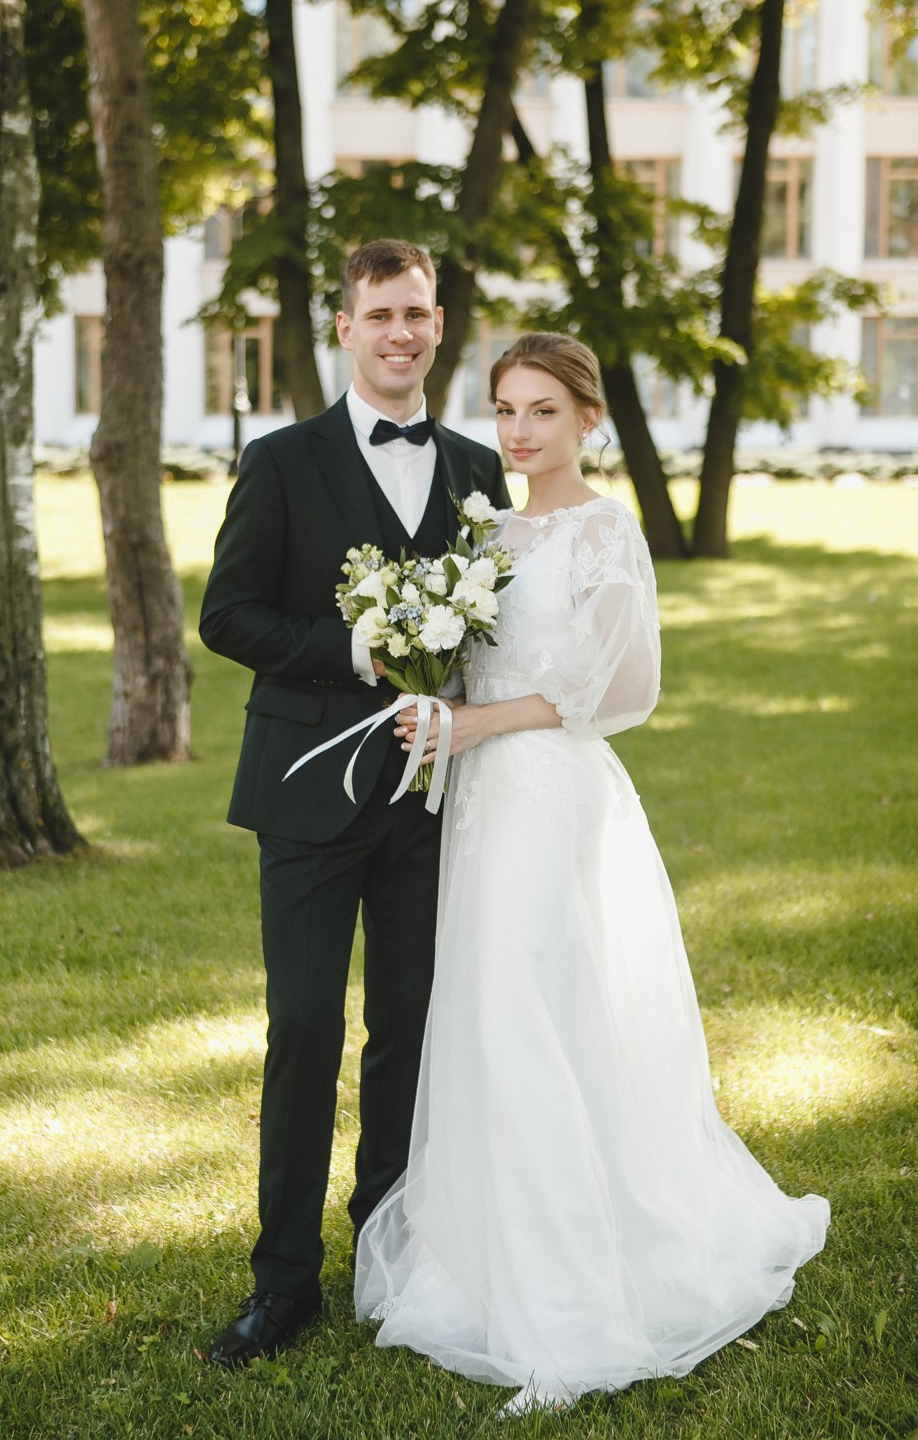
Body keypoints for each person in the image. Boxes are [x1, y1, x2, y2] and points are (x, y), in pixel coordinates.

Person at [355, 332, 830, 1417]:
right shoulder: (487, 528)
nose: (519, 432)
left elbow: (619, 686)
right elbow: (471, 654)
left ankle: (567, 1312)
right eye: (505, 410)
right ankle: (486, 1264)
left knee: (527, 1011)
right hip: (480, 802)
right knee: (488, 1013)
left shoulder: (605, 530)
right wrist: (427, 684)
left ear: (588, 420)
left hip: (550, 793)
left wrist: (474, 721)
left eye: (541, 413)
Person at [198, 240, 510, 1367]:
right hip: (306, 796)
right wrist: (359, 649)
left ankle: (390, 1254)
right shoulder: (280, 461)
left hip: (433, 801)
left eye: (417, 313)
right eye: (379, 313)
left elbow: (492, 626)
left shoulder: (479, 464)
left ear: (438, 326)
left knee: (411, 1034)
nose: (400, 332)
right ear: (343, 328)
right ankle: (283, 1282)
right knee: (303, 1031)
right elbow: (227, 618)